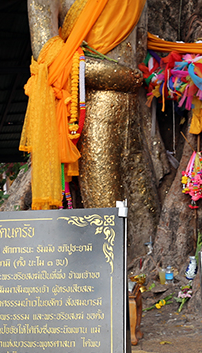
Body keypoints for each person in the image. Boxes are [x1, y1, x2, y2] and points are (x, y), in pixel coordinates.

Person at [22, 0, 152, 211]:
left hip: (137, 107)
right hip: (90, 107)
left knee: (144, 205)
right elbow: (46, 53)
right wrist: (116, 75)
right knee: (106, 210)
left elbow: (140, 46)